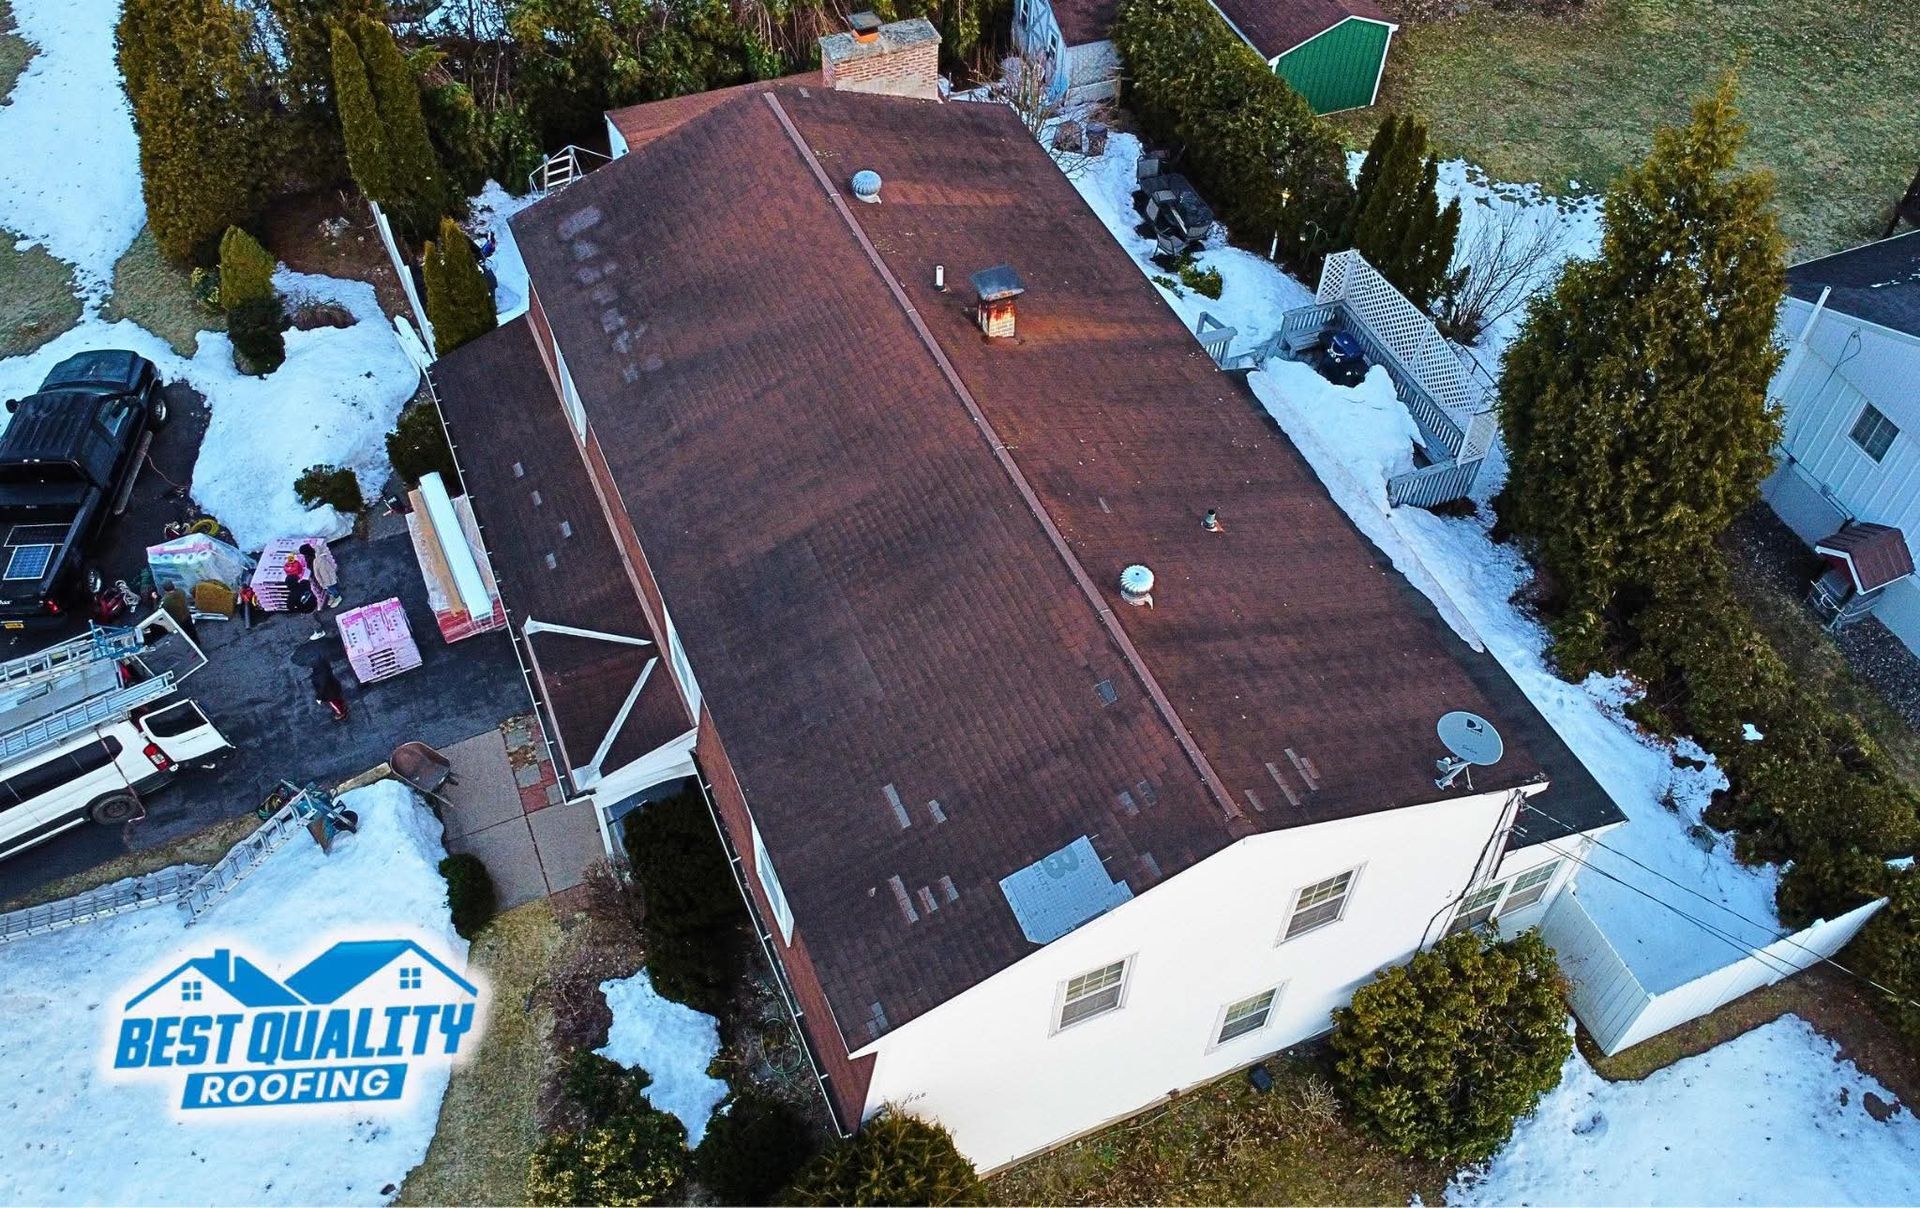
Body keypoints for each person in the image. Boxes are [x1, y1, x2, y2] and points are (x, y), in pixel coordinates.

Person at [299, 543, 341, 609]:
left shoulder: (319, 561)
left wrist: (326, 583)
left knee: (332, 589)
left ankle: (337, 597)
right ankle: (332, 596)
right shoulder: (314, 556)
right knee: (329, 590)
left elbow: (325, 573)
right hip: (323, 579)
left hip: (327, 580)